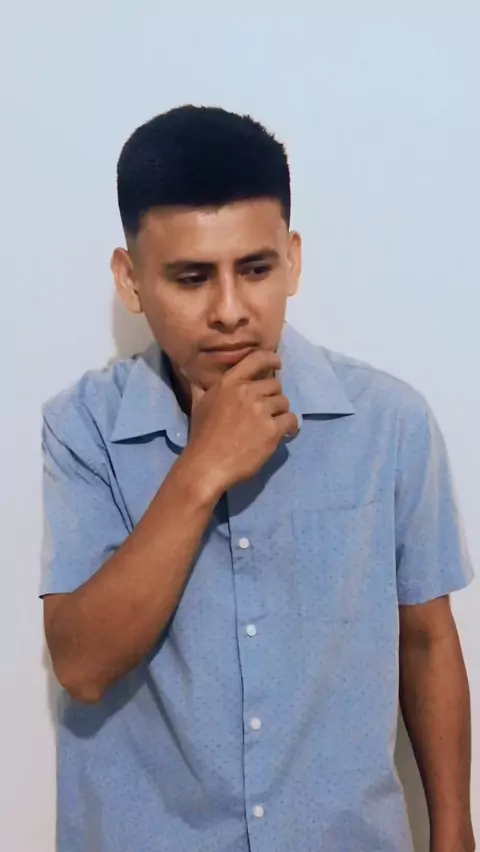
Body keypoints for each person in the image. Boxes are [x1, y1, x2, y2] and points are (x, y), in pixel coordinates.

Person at [41, 105, 475, 852]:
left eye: (255, 269)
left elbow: (428, 643)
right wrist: (202, 468)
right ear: (130, 279)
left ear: (293, 260)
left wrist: (455, 830)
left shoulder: (388, 422)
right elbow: (82, 665)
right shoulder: (82, 428)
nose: (230, 311)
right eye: (191, 277)